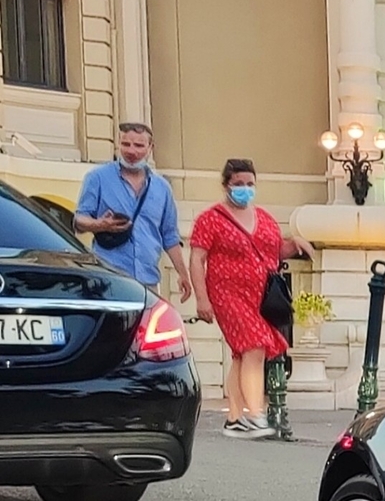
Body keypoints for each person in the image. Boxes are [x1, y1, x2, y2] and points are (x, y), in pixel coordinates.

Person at [186, 158, 314, 438]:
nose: (245, 189)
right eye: (238, 184)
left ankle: (235, 417)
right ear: (226, 186)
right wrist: (202, 298)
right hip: (227, 293)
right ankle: (255, 415)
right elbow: (197, 259)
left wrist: (295, 244)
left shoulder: (265, 219)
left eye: (250, 184)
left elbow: (274, 251)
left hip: (260, 296)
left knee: (242, 354)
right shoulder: (210, 219)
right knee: (254, 346)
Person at [74, 122, 190, 311]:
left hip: (147, 280)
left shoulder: (162, 188)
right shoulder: (97, 178)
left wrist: (183, 274)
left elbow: (169, 236)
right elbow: (79, 220)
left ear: (150, 148)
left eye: (139, 145)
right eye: (126, 144)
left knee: (146, 336)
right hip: (109, 277)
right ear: (118, 145)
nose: (131, 151)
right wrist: (100, 225)